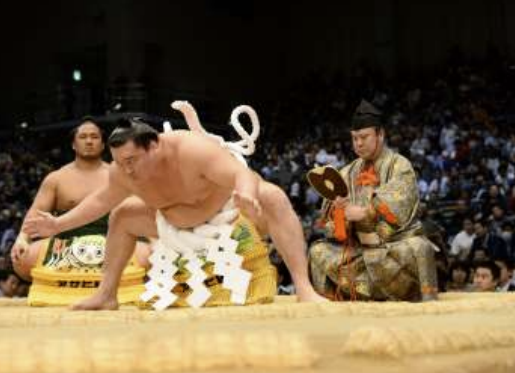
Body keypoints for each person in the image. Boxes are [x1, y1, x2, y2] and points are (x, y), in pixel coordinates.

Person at [24, 114, 325, 310]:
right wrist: (58, 225)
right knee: (123, 213)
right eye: (119, 161)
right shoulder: (123, 172)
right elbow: (100, 202)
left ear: (154, 145)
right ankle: (107, 293)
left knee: (273, 196)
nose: (126, 168)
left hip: (226, 216)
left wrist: (246, 195)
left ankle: (303, 286)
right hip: (169, 225)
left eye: (132, 159)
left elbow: (239, 174)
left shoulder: (192, 150)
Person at [309, 100, 438, 301]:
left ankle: (427, 299)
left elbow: (399, 204)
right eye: (354, 138)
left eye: (364, 137)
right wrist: (340, 215)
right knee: (317, 251)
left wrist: (366, 211)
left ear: (380, 134)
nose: (358, 144)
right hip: (359, 250)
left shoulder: (399, 165)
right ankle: (329, 304)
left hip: (393, 246)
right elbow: (327, 222)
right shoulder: (346, 172)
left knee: (420, 247)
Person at [10, 118, 148, 305]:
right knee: (23, 258)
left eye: (94, 137)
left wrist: (155, 241)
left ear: (102, 144)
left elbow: (140, 211)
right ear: (73, 144)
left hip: (114, 241)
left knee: (150, 256)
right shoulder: (56, 179)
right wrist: (22, 239)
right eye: (83, 137)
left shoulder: (121, 175)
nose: (89, 141)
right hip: (64, 245)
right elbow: (36, 214)